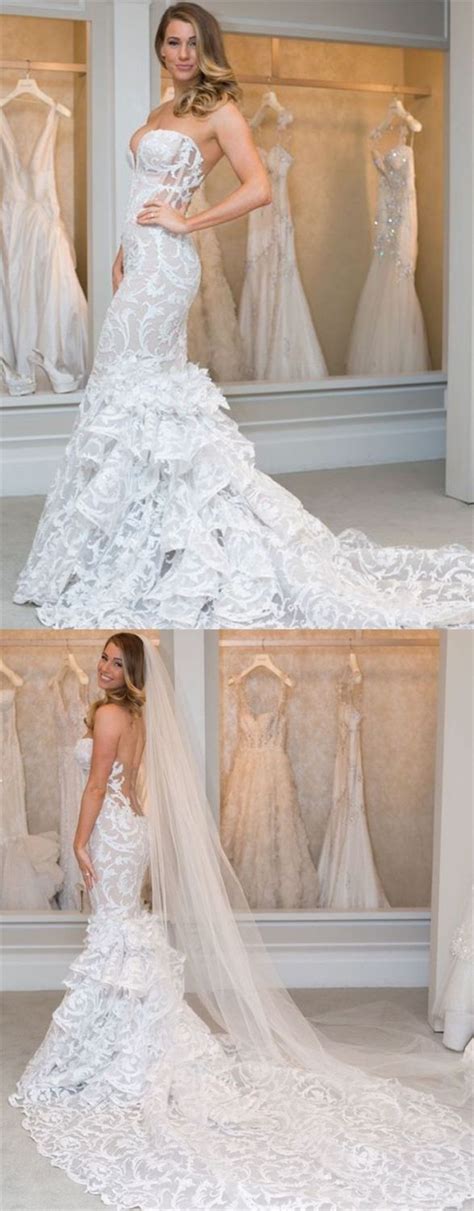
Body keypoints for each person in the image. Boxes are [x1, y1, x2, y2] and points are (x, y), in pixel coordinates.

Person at [14, 3, 472, 628]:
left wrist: (189, 223)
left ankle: (160, 540)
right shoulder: (158, 113)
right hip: (140, 265)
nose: (181, 55)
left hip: (170, 267)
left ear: (208, 51)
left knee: (133, 392)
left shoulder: (217, 111)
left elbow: (257, 185)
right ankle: (143, 538)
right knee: (126, 393)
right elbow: (145, 195)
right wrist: (125, 248)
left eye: (192, 44)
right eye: (172, 43)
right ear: (160, 48)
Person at [10, 632, 472, 1210]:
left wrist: (80, 842)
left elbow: (99, 783)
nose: (104, 668)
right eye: (103, 658)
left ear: (132, 672)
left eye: (115, 662)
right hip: (130, 834)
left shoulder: (109, 714)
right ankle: (125, 1039)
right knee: (122, 934)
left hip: (110, 835)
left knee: (114, 934)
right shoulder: (137, 714)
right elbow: (136, 784)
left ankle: (117, 1047)